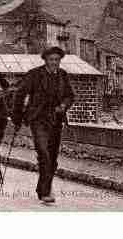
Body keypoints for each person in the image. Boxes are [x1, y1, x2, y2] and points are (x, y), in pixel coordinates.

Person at [12, 46, 74, 204]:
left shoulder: (63, 75)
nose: (54, 63)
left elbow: (70, 96)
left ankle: (43, 188)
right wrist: (17, 117)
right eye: (51, 59)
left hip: (56, 120)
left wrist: (63, 105)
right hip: (38, 119)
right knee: (44, 154)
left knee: (52, 158)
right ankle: (46, 192)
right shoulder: (34, 74)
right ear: (45, 60)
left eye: (57, 60)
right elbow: (19, 94)